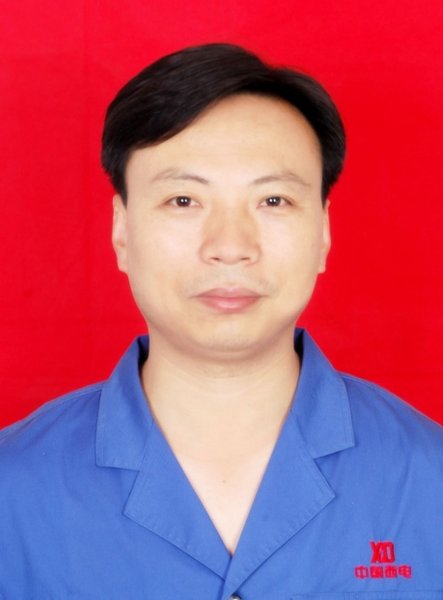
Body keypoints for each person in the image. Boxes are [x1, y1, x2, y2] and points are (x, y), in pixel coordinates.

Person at [1, 43, 442, 600]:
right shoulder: (12, 488)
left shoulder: (430, 477)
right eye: (184, 201)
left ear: (323, 232)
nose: (230, 247)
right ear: (122, 230)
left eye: (273, 201)